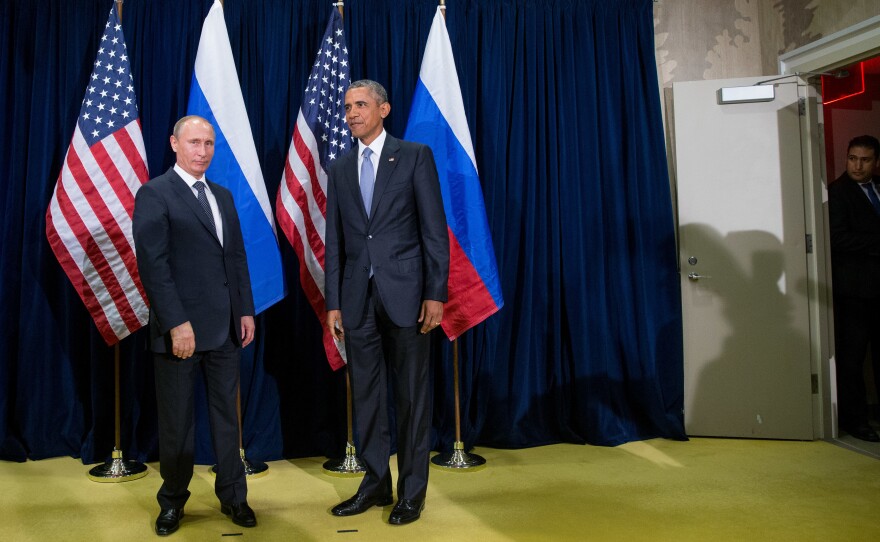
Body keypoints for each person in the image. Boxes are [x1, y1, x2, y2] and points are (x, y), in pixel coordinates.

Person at [325, 79, 449, 525]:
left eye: (360, 105)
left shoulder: (414, 156)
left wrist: (436, 293)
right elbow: (335, 240)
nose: (352, 113)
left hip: (408, 297)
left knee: (412, 398)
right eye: (347, 107)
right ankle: (375, 483)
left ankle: (411, 492)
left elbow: (434, 232)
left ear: (384, 109)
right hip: (357, 300)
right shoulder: (340, 168)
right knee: (368, 397)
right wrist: (334, 301)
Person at [133, 115, 257, 535]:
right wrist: (176, 323)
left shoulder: (221, 195)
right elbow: (154, 267)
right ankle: (172, 503)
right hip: (180, 332)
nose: (202, 150)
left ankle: (234, 498)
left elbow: (235, 259)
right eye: (194, 142)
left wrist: (244, 310)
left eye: (208, 143)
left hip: (224, 328)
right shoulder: (154, 194)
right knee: (177, 425)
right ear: (174, 143)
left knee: (228, 420)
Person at [828, 134, 880, 442]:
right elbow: (836, 238)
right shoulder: (837, 192)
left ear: (875, 162)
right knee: (852, 359)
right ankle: (855, 421)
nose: (857, 165)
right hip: (854, 291)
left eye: (864, 160)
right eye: (852, 158)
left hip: (878, 290)